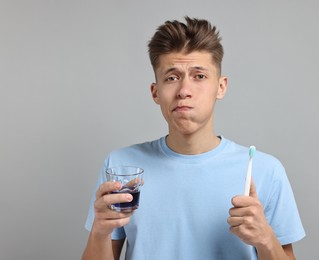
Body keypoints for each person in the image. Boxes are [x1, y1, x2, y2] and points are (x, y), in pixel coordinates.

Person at [82, 16, 305, 260]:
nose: (184, 91)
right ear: (155, 92)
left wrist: (265, 239)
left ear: (221, 87)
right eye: (172, 77)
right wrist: (99, 232)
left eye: (199, 76)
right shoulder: (121, 168)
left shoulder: (265, 170)